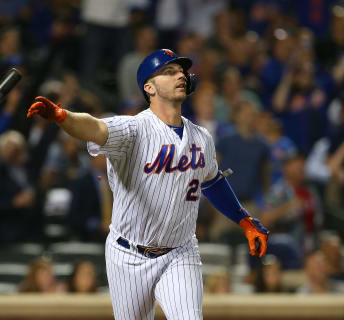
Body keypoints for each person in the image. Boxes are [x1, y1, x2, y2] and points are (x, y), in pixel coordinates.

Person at [27, 49, 269, 320]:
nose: (180, 75)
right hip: (128, 254)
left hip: (180, 251)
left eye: (180, 71)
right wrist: (63, 116)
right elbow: (94, 128)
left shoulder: (202, 138)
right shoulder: (133, 130)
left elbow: (212, 182)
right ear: (149, 87)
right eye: (168, 71)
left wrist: (244, 220)